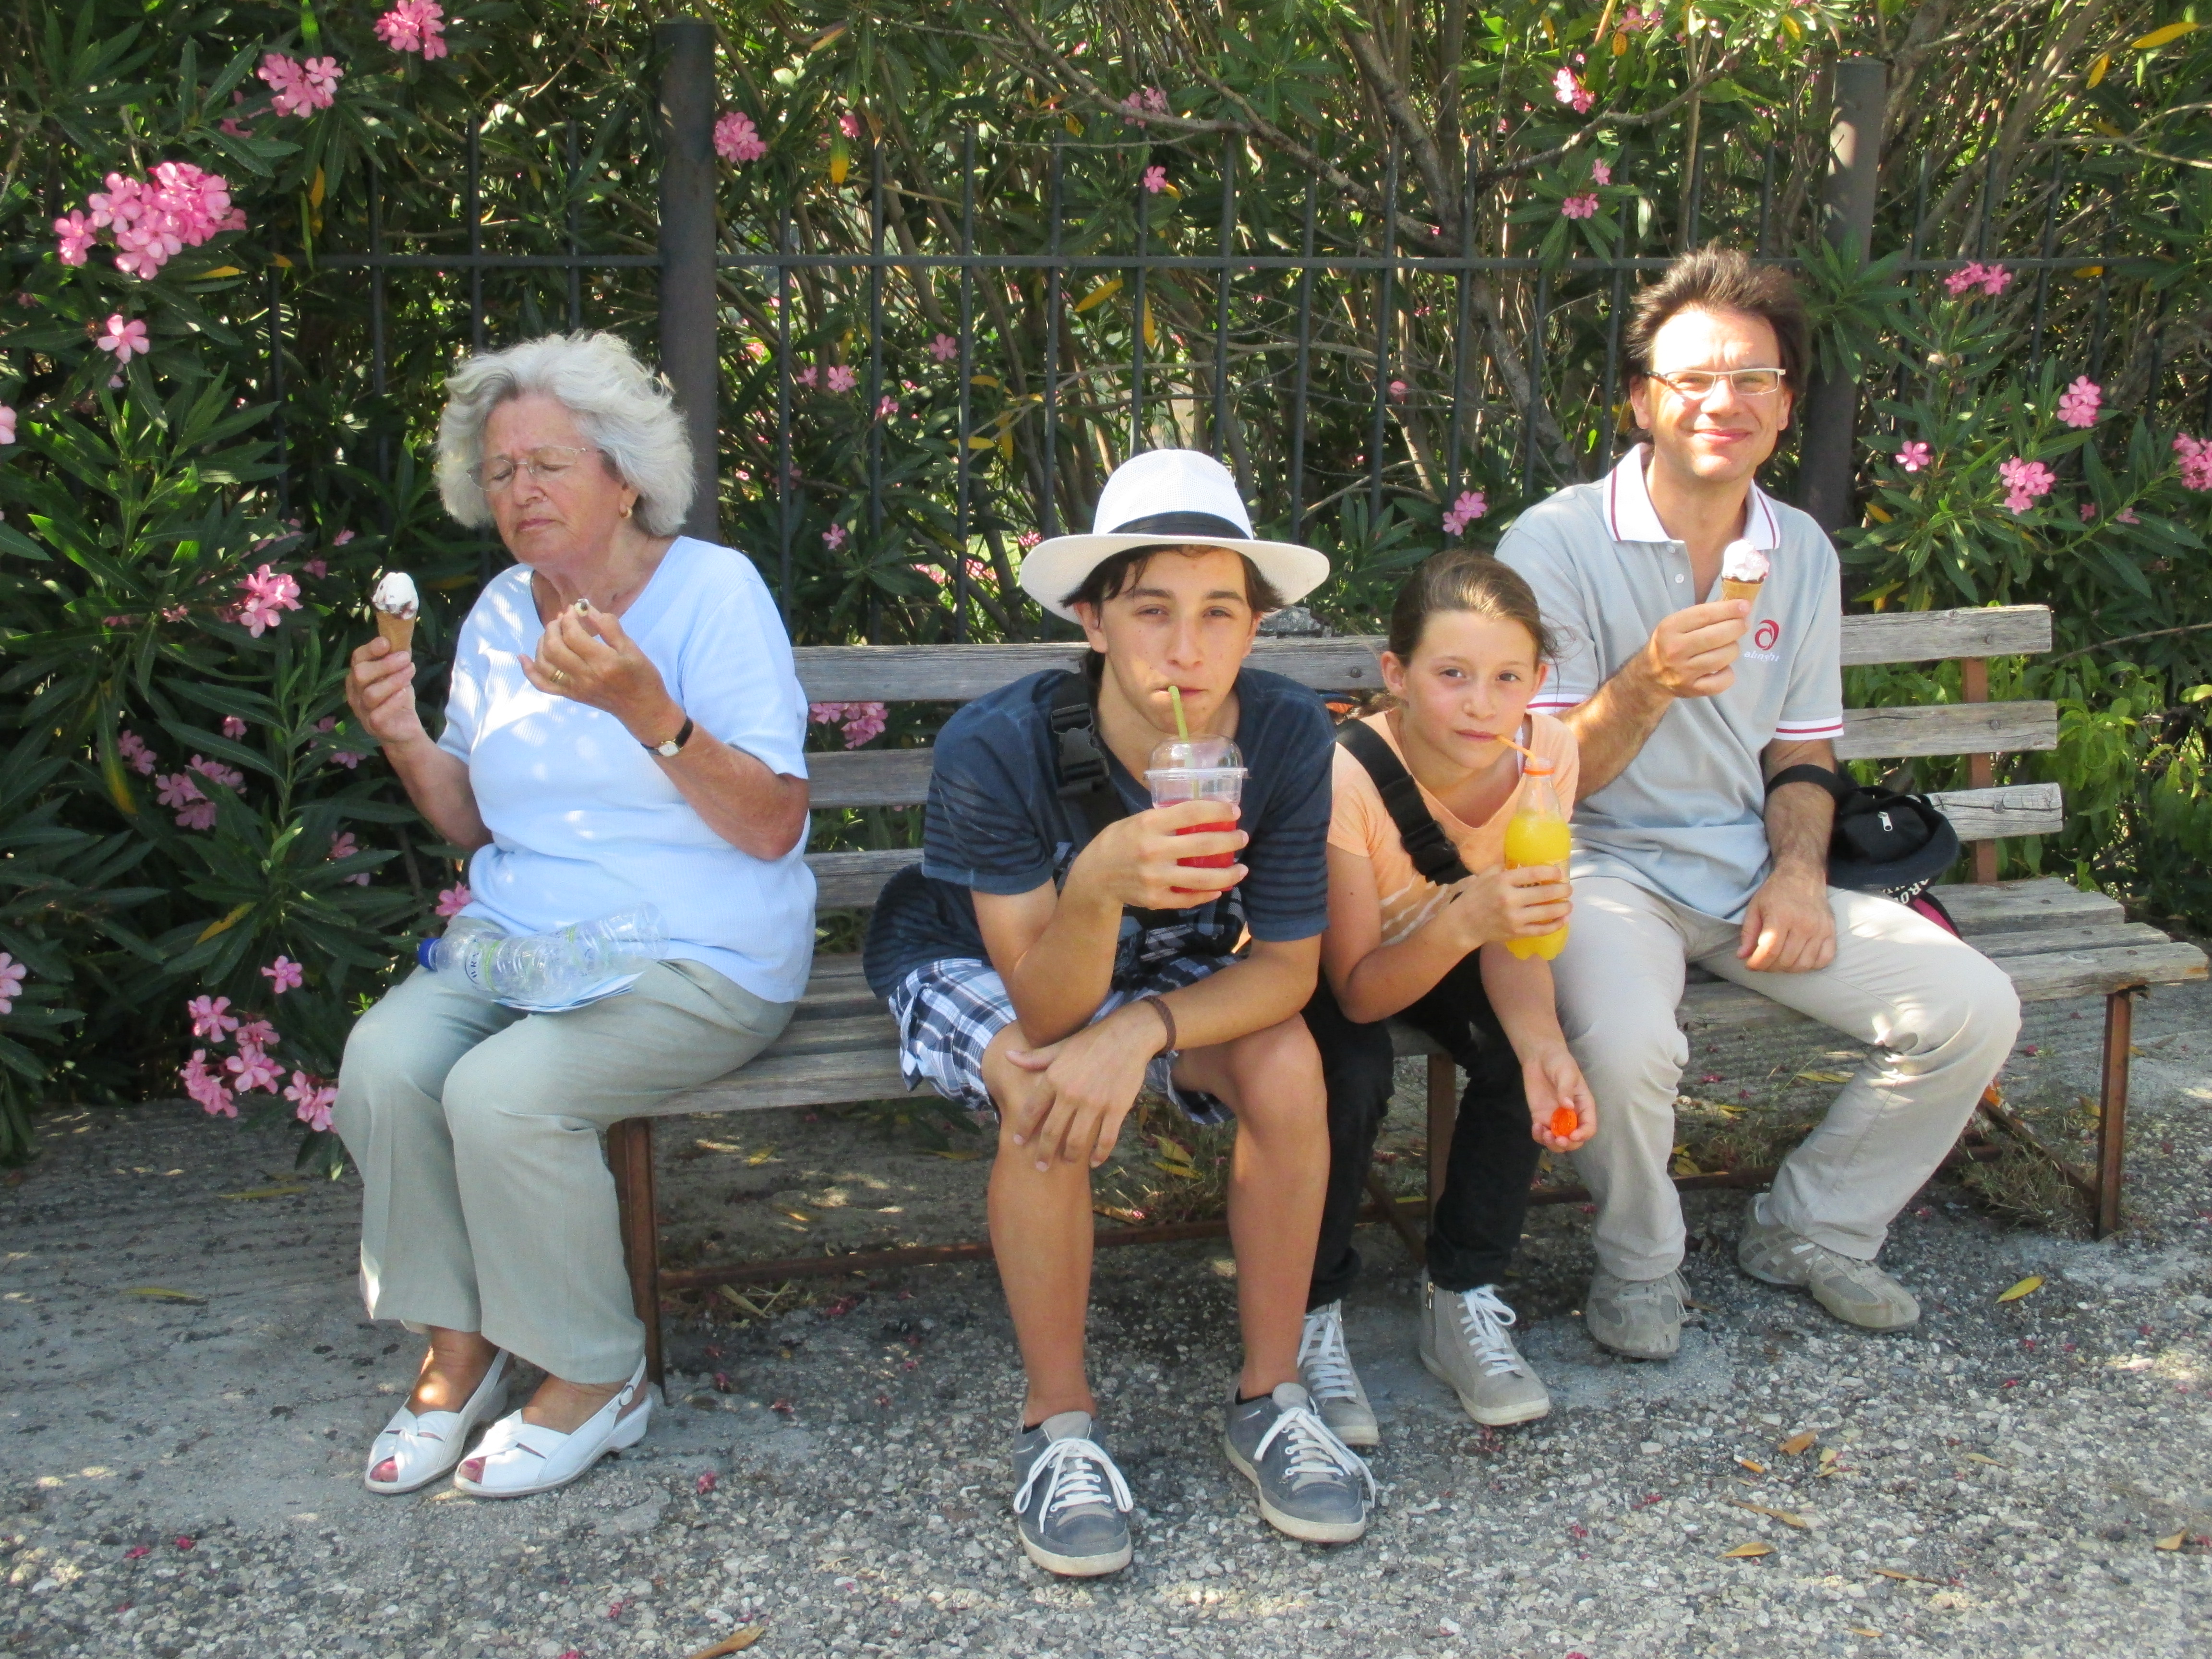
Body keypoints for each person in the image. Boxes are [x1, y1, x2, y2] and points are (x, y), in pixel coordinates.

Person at [1495, 247, 2020, 1359]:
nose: (1722, 401)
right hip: (1597, 864)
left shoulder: (1800, 551)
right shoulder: (1554, 542)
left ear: (1785, 407)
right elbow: (1544, 778)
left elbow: (1803, 748)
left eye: (1754, 379)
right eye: (1692, 378)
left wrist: (1796, 872)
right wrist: (1646, 682)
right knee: (1628, 1045)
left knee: (1971, 1007)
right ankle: (1641, 1265)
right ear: (1641, 399)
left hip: (1744, 866)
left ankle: (1812, 1229)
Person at [862, 449, 1372, 1577]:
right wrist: (1096, 883)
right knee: (1040, 1087)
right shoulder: (998, 747)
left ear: (1256, 626)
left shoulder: (1286, 736)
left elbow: (1288, 970)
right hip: (984, 958)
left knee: (1288, 1063)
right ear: (1093, 621)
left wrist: (1141, 1031)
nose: (1186, 648)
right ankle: (1058, 1426)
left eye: (1219, 612)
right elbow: (1045, 1009)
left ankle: (1271, 1398)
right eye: (1151, 610)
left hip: (1161, 965)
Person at [334, 331, 814, 1497]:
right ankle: (461, 1347)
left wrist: (651, 712)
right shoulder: (503, 611)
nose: (521, 490)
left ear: (625, 477)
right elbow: (473, 817)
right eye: (501, 471)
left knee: (505, 1095)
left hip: (700, 952)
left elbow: (773, 825)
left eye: (548, 464)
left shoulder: (713, 593)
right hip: (523, 943)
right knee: (384, 1063)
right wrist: (401, 736)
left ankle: (600, 1375)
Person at [1294, 551, 1595, 1442]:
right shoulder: (1347, 774)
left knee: (1516, 1057)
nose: (1481, 704)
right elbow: (1358, 991)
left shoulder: (1547, 755)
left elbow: (1514, 940)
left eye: (1508, 679)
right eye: (1452, 675)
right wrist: (1466, 923)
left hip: (1455, 940)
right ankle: (1308, 1308)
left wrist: (1543, 1048)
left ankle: (1461, 1293)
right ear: (1397, 674)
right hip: (1342, 961)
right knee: (1350, 1075)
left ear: (1538, 680)